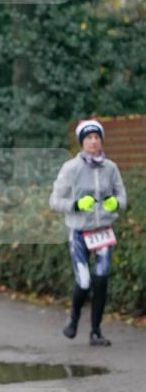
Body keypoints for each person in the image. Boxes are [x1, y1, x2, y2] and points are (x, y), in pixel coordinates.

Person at [49, 119, 126, 346]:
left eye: (97, 138)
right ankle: (73, 317)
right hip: (79, 232)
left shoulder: (110, 168)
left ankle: (95, 331)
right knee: (84, 282)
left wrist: (115, 203)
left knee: (101, 279)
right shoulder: (71, 168)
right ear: (82, 142)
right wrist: (76, 205)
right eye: (89, 138)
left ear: (102, 141)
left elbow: (122, 196)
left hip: (103, 231)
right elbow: (54, 201)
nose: (93, 142)